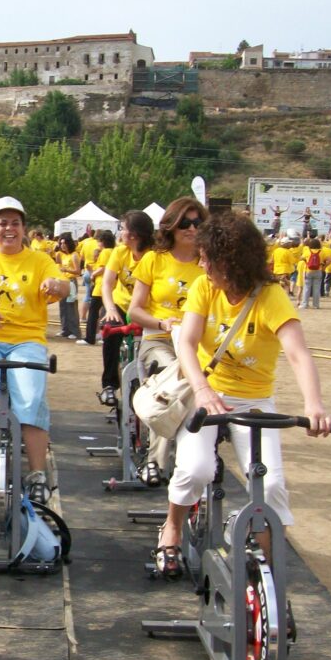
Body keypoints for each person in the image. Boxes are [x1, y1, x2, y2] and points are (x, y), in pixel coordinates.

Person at [152, 212, 331, 578]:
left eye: (207, 258)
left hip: (253, 400)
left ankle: (271, 576)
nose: (201, 264)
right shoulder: (205, 288)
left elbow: (298, 354)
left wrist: (314, 404)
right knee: (195, 468)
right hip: (206, 393)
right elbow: (186, 343)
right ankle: (171, 525)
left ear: (229, 262)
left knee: (271, 485)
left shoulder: (271, 297)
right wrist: (203, 391)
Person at [0, 196, 69, 505]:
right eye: (3, 223)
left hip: (27, 340)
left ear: (23, 228)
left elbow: (61, 284)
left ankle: (37, 474)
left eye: (15, 223)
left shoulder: (39, 260)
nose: (9, 229)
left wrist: (57, 287)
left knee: (31, 399)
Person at [127, 197, 207, 487]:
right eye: (185, 222)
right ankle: (155, 461)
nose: (191, 228)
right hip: (159, 340)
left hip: (199, 344)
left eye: (197, 222)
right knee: (175, 377)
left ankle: (198, 454)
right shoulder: (154, 259)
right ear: (171, 226)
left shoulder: (208, 263)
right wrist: (163, 323)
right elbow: (134, 309)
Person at [98, 211, 155, 405]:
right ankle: (109, 385)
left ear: (134, 235)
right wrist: (110, 309)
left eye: (122, 229)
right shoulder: (120, 252)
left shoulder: (154, 255)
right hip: (122, 304)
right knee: (110, 330)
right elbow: (107, 284)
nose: (119, 233)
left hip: (146, 309)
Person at [78, 230, 114, 346]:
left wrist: (93, 273)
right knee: (106, 311)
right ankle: (104, 335)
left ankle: (90, 337)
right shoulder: (113, 251)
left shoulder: (104, 252)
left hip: (100, 286)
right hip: (110, 286)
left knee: (93, 312)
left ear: (103, 242)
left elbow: (103, 268)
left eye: (99, 241)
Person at [55, 234, 82, 340]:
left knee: (71, 306)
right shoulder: (61, 255)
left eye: (64, 243)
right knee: (62, 306)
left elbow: (78, 271)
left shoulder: (74, 255)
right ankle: (65, 329)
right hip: (63, 281)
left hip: (71, 281)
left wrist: (66, 270)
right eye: (61, 243)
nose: (63, 245)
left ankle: (74, 331)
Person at [299, 238, 325, 309]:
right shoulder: (321, 252)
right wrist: (323, 266)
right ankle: (316, 305)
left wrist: (306, 261)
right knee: (316, 288)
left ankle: (305, 304)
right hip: (318, 270)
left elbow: (301, 258)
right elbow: (329, 259)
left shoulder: (308, 251)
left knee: (306, 288)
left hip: (308, 270)